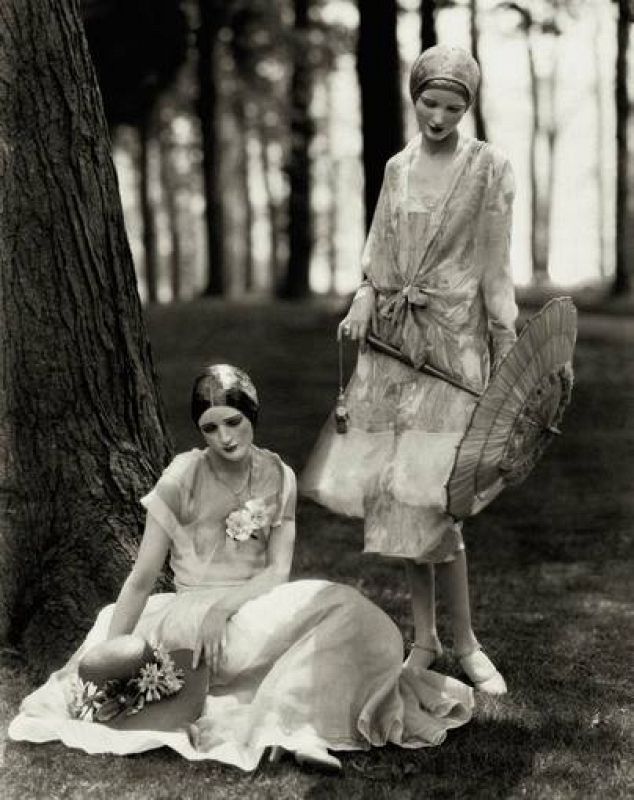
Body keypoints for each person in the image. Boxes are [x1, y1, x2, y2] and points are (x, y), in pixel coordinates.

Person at [9, 364, 473, 772]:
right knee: (319, 623)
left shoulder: (280, 474)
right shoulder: (181, 476)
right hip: (190, 616)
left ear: (252, 414)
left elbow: (277, 571)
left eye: (233, 421)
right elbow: (142, 578)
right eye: (210, 428)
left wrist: (225, 608)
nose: (225, 437)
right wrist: (113, 662)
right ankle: (289, 728)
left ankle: (296, 727)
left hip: (254, 602)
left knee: (357, 614)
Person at [300, 45, 517, 695]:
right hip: (394, 348)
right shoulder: (397, 168)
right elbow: (379, 254)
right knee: (399, 498)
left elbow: (495, 266)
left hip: (454, 349)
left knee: (436, 498)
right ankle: (425, 638)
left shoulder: (489, 167)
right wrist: (363, 299)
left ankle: (467, 641)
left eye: (453, 107)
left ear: (467, 108)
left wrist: (504, 341)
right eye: (430, 103)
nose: (440, 117)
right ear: (414, 97)